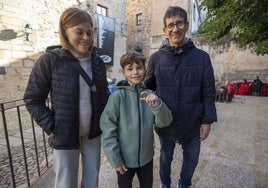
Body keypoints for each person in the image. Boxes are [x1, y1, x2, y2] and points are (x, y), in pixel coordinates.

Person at [23, 7, 109, 188]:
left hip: (93, 133)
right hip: (65, 134)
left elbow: (103, 96)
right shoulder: (50, 60)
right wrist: (52, 126)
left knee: (92, 181)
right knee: (66, 183)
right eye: (79, 32)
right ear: (65, 31)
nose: (86, 37)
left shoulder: (98, 62)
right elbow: (32, 99)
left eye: (89, 32)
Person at [144, 6, 217, 188]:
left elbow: (208, 92)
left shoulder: (202, 58)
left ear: (186, 26)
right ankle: (165, 184)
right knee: (165, 159)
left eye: (179, 23)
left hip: (193, 122)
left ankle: (184, 184)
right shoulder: (156, 59)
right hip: (166, 122)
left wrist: (207, 121)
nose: (175, 28)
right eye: (170, 25)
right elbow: (147, 88)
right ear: (164, 30)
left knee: (191, 160)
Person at [100, 50, 173, 188]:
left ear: (145, 69)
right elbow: (108, 128)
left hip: (146, 158)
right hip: (124, 160)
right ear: (124, 72)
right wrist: (115, 159)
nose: (135, 72)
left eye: (139, 68)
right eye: (130, 69)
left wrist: (157, 105)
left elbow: (164, 122)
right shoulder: (117, 97)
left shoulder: (151, 95)